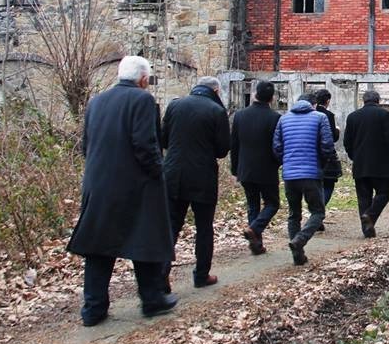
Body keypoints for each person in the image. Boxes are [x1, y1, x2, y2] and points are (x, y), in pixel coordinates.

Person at [67, 56, 177, 326]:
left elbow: (86, 145)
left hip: (98, 183)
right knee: (145, 241)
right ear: (142, 79)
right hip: (134, 185)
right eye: (148, 80)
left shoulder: (95, 102)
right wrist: (157, 171)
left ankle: (93, 309)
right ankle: (152, 300)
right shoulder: (142, 101)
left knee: (99, 247)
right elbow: (145, 144)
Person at [161, 76, 230, 290]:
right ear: (216, 91)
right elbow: (222, 150)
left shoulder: (175, 105)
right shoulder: (216, 111)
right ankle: (201, 275)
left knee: (171, 226)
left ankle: (161, 276)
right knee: (204, 227)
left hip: (173, 173)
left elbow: (163, 139)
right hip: (203, 176)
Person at [272, 93, 335, 265]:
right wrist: (320, 164)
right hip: (311, 173)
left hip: (290, 174)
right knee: (318, 212)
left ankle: (297, 256)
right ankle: (300, 240)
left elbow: (277, 147)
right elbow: (327, 146)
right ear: (313, 104)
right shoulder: (320, 117)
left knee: (294, 214)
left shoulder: (284, 119)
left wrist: (287, 163)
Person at [230, 80, 282, 255]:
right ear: (272, 98)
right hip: (267, 169)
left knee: (253, 205)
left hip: (245, 169)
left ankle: (256, 244)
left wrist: (234, 169)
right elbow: (277, 146)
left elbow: (234, 144)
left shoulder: (240, 115)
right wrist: (278, 162)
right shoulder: (275, 118)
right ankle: (254, 229)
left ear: (254, 95)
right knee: (272, 203)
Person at [343, 90, 389, 238]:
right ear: (378, 100)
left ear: (363, 100)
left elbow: (347, 142)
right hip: (381, 165)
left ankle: (367, 229)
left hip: (360, 163)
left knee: (363, 197)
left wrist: (354, 157)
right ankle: (370, 216)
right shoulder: (385, 115)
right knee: (384, 193)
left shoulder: (352, 117)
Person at [314, 88, 343, 230]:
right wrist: (337, 130)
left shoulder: (311, 114)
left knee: (317, 185)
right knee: (328, 184)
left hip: (312, 155)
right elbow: (332, 137)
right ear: (328, 101)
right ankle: (318, 213)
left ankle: (316, 214)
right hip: (325, 156)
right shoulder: (328, 115)